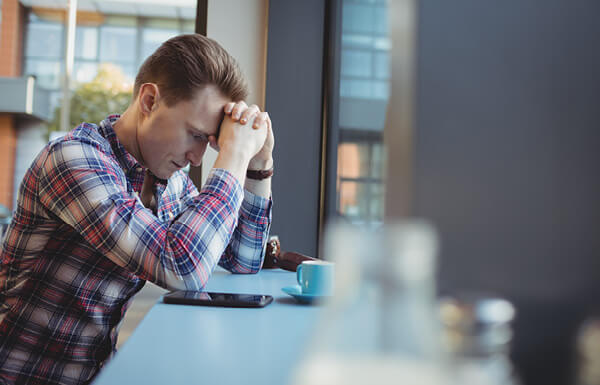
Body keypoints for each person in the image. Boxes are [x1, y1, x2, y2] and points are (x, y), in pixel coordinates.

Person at [0, 34, 274, 384]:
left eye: (208, 141)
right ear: (149, 100)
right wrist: (232, 156)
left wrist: (259, 163)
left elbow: (243, 258)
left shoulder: (167, 180)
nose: (196, 158)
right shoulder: (74, 160)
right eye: (194, 134)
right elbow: (182, 266)